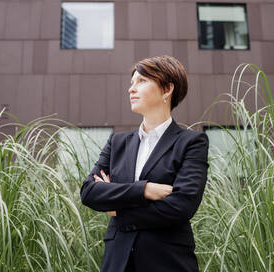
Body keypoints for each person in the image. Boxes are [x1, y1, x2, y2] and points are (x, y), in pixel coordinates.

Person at [80, 55, 210, 272]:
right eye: (131, 83)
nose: (131, 89)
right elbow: (89, 192)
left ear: (167, 89)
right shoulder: (117, 143)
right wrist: (144, 190)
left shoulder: (191, 142)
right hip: (117, 263)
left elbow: (181, 206)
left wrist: (118, 210)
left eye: (141, 81)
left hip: (168, 262)